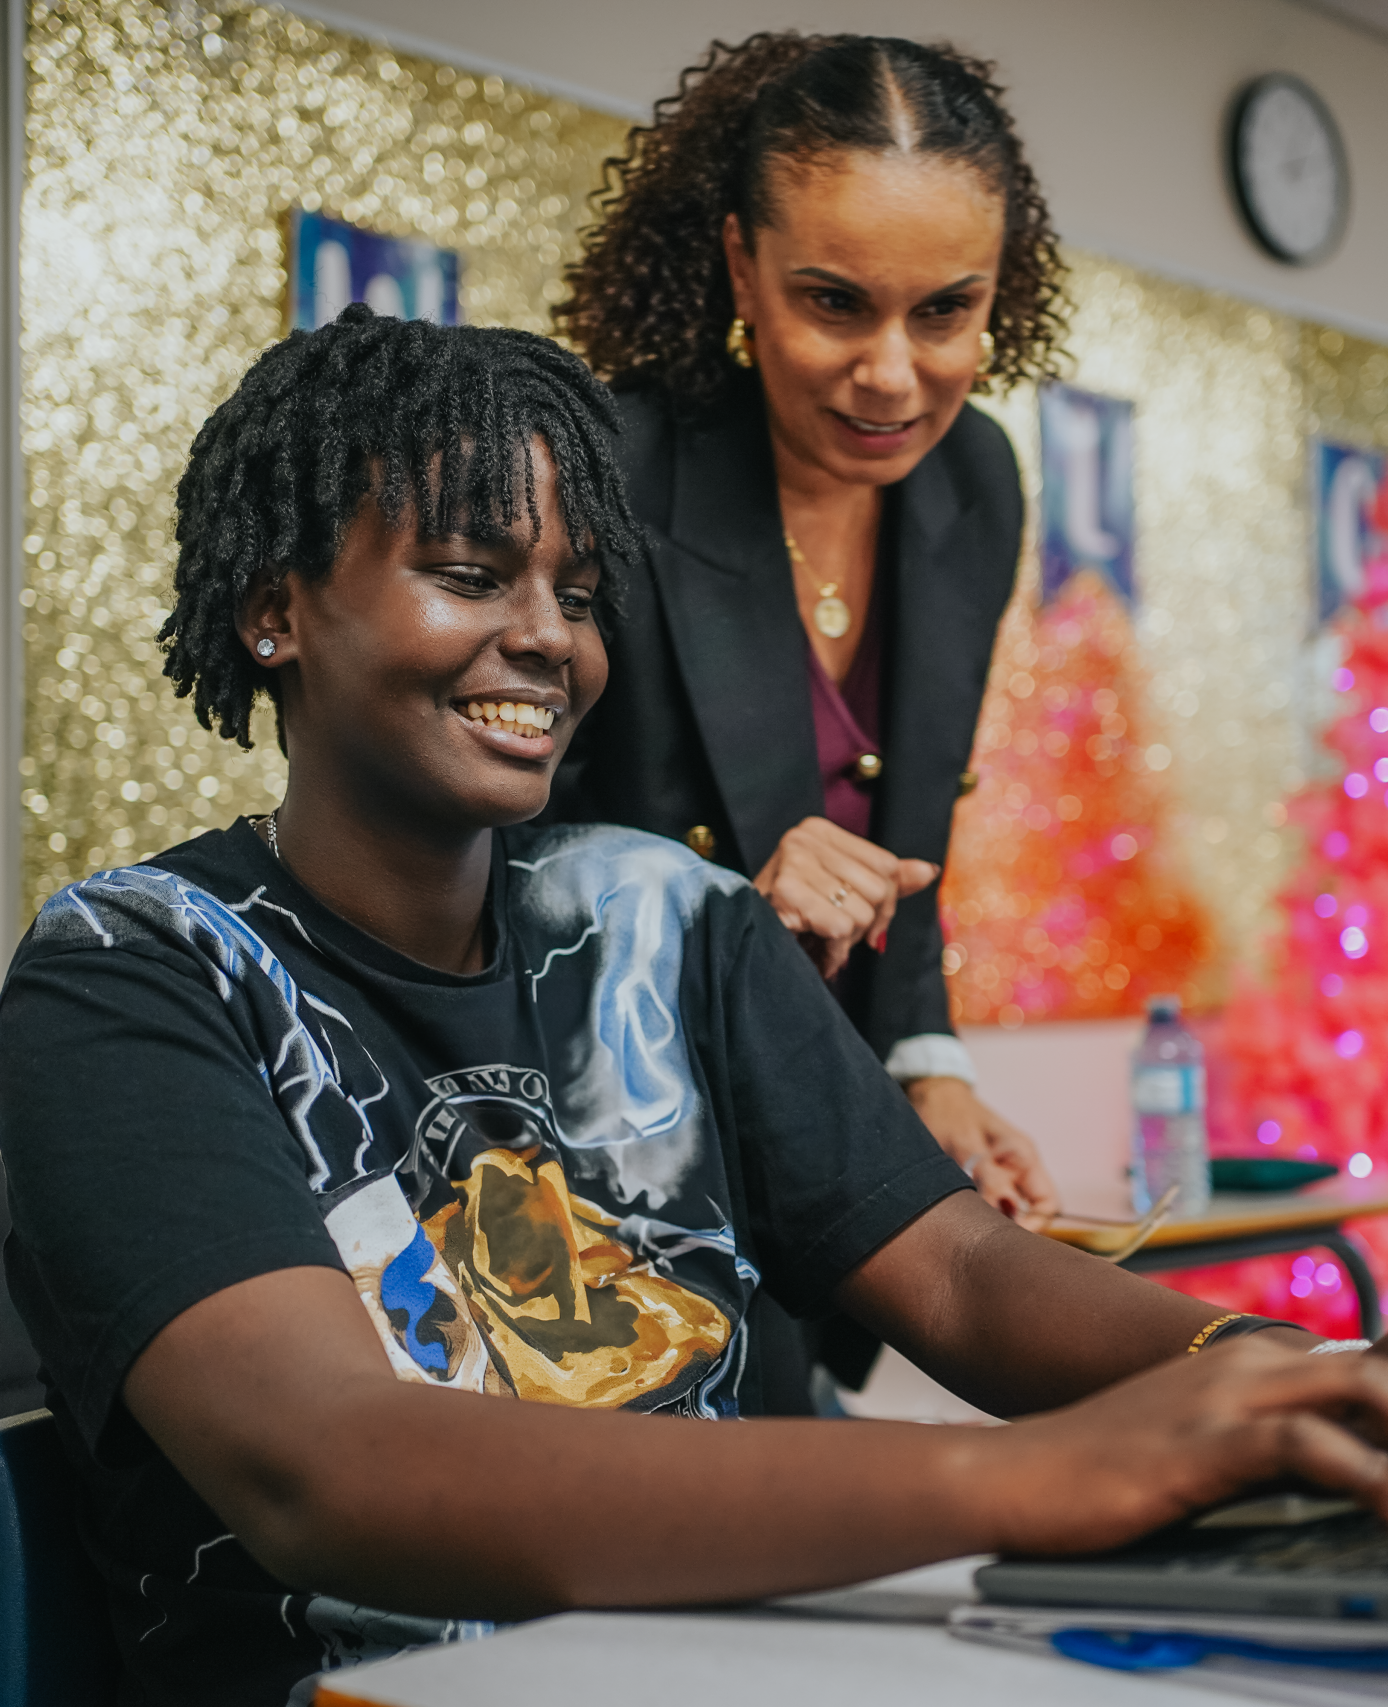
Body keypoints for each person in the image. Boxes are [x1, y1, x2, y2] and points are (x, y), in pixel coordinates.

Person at [0, 306, 1388, 1701]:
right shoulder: (134, 976)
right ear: (275, 612)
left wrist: (1289, 1363)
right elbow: (324, 1464)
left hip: (718, 1655)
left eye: (579, 587)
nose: (545, 636)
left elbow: (960, 1276)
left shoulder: (666, 919)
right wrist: (1034, 1477)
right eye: (473, 573)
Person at [548, 35, 1062, 1249]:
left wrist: (927, 1065)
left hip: (822, 1157)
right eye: (833, 302)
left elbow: (911, 835)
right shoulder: (608, 470)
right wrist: (714, 911)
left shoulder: (973, 482)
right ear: (740, 261)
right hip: (598, 1157)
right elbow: (466, 858)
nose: (892, 377)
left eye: (946, 311)